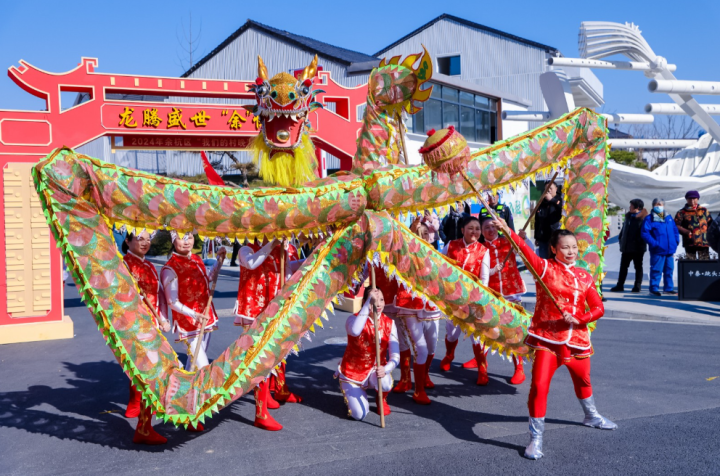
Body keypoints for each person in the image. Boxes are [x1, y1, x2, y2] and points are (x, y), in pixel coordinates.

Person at [507, 222, 617, 460]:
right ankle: (535, 440)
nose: (571, 251)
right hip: (549, 340)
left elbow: (598, 308)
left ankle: (591, 416)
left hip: (577, 339)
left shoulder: (584, 275)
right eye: (565, 247)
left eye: (574, 247)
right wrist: (507, 230)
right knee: (539, 386)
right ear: (554, 249)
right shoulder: (544, 269)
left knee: (584, 381)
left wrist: (580, 318)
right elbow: (524, 251)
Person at [234, 238, 302, 431]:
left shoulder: (280, 249)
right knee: (259, 360)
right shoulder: (246, 249)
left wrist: (308, 261)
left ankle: (266, 399)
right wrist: (272, 244)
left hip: (273, 309)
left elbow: (288, 271)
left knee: (271, 357)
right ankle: (260, 412)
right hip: (254, 312)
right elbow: (253, 262)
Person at [160, 231, 225, 432]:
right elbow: (172, 301)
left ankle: (188, 411)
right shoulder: (169, 269)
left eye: (189, 236)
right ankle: (191, 410)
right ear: (173, 241)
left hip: (205, 321)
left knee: (192, 366)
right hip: (188, 325)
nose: (186, 241)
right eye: (181, 237)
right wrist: (194, 315)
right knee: (203, 366)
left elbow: (208, 278)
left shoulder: (196, 259)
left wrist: (219, 263)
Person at [122, 230, 171, 445]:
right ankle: (144, 427)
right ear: (127, 241)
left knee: (143, 369)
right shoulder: (123, 265)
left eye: (148, 239)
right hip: (135, 324)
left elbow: (157, 297)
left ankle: (135, 407)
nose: (145, 243)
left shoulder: (150, 265)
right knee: (150, 372)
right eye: (139, 238)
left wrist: (162, 318)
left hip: (152, 323)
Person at [393, 223, 442, 404]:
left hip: (430, 304)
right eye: (418, 233)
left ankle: (424, 376)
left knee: (431, 347)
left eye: (426, 233)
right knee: (420, 348)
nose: (422, 236)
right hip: (409, 305)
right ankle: (418, 390)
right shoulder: (402, 255)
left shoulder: (436, 255)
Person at [438, 217, 491, 385]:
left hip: (473, 300)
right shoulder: (451, 245)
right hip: (452, 298)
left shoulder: (483, 251)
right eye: (470, 228)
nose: (474, 231)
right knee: (452, 332)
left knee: (477, 335)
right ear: (462, 230)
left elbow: (484, 279)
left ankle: (482, 367)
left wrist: (479, 299)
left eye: (477, 228)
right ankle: (449, 355)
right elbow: (440, 266)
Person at [336, 288, 399, 421]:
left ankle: (381, 398)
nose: (379, 304)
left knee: (386, 382)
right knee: (359, 415)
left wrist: (385, 369)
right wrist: (367, 306)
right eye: (374, 301)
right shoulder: (352, 320)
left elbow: (395, 356)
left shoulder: (390, 323)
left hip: (374, 372)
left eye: (381, 300)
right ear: (365, 302)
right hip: (353, 374)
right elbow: (355, 331)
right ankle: (355, 392)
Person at [479, 218, 526, 385]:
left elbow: (527, 253)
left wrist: (521, 239)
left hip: (511, 291)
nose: (490, 230)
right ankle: (482, 367)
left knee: (513, 330)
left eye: (493, 227)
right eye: (486, 227)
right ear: (481, 230)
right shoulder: (479, 248)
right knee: (485, 330)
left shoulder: (509, 241)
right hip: (490, 293)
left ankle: (519, 367)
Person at [641, 199, 680, 296]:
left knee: (669, 270)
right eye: (656, 204)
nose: (658, 206)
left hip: (670, 249)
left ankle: (668, 288)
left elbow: (675, 230)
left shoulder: (668, 217)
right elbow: (645, 233)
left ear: (664, 206)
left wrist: (676, 242)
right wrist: (654, 244)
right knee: (656, 270)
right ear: (653, 206)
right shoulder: (649, 218)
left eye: (660, 204)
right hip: (658, 250)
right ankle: (654, 288)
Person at [610, 199, 648, 293]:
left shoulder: (644, 218)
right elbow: (624, 230)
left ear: (637, 207)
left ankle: (637, 286)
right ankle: (620, 285)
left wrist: (639, 242)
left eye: (631, 205)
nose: (629, 207)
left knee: (638, 267)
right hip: (626, 247)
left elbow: (645, 232)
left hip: (637, 247)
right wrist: (621, 239)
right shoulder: (628, 216)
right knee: (623, 267)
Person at [675, 190, 713, 261]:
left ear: (697, 199)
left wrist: (709, 235)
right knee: (691, 265)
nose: (692, 201)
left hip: (703, 243)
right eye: (690, 199)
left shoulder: (704, 210)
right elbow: (676, 225)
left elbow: (711, 224)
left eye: (694, 199)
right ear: (686, 199)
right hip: (690, 242)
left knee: (705, 265)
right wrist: (686, 232)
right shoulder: (682, 212)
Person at [533, 182, 563, 259]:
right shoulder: (541, 203)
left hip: (555, 237)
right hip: (543, 238)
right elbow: (537, 221)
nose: (548, 190)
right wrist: (536, 237)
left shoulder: (559, 200)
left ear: (556, 189)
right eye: (547, 188)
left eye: (550, 188)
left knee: (555, 260)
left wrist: (552, 200)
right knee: (544, 260)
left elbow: (561, 209)